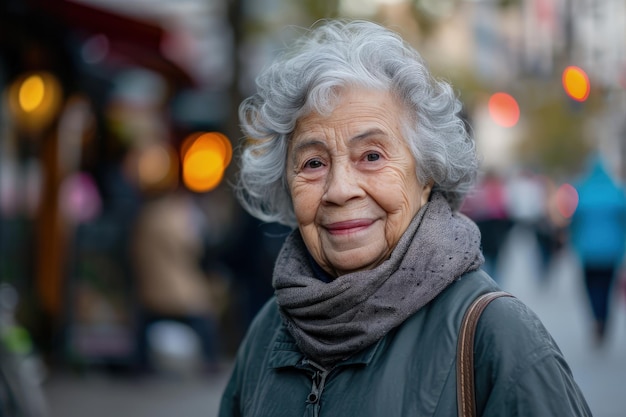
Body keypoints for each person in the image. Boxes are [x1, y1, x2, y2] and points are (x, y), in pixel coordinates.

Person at [219, 20, 591, 416]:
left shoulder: (496, 334)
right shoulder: (267, 330)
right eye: (313, 163)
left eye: (372, 156)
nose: (340, 189)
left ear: (427, 174)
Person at [568, 155, 626, 345]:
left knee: (591, 288)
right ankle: (604, 320)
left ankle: (596, 318)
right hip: (611, 251)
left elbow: (573, 219)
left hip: (588, 251)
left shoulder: (582, 190)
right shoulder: (617, 192)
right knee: (608, 289)